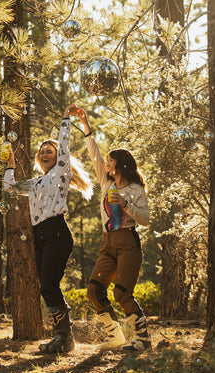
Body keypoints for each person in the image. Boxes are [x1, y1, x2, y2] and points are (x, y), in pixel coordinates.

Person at [3, 104, 93, 354]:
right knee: (47, 285)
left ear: (57, 157)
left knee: (49, 285)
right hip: (40, 237)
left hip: (57, 233)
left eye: (50, 151)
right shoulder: (35, 182)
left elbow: (65, 147)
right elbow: (9, 189)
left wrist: (65, 118)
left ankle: (65, 336)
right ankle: (62, 335)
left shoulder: (60, 173)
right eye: (42, 151)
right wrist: (9, 163)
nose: (45, 154)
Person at [69, 104, 151, 351]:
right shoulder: (107, 183)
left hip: (128, 242)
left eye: (111, 160)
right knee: (94, 291)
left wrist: (125, 203)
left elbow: (145, 219)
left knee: (122, 294)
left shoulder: (135, 190)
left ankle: (143, 340)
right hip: (107, 243)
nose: (106, 164)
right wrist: (85, 126)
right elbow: (94, 154)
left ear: (121, 164)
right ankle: (114, 335)